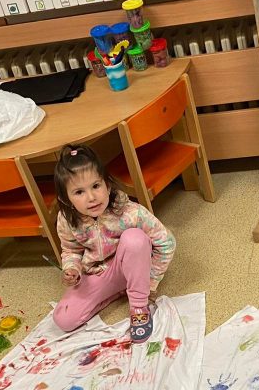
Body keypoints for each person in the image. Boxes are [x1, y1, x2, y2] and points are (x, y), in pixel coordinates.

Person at [52, 144, 175, 343]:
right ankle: (119, 290)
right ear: (66, 200)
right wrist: (71, 268)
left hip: (132, 267)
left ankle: (138, 304)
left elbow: (167, 243)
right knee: (63, 319)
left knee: (134, 239)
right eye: (79, 192)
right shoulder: (66, 220)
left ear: (107, 185)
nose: (91, 197)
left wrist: (150, 282)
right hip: (98, 273)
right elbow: (71, 250)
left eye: (96, 186)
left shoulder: (130, 212)